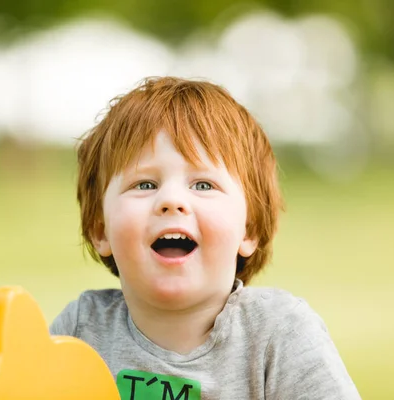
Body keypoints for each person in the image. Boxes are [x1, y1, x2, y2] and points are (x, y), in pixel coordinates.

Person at [50, 77, 361, 400]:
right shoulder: (81, 331)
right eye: (144, 184)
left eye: (202, 185)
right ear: (101, 231)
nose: (171, 200)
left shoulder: (279, 334)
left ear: (249, 229)